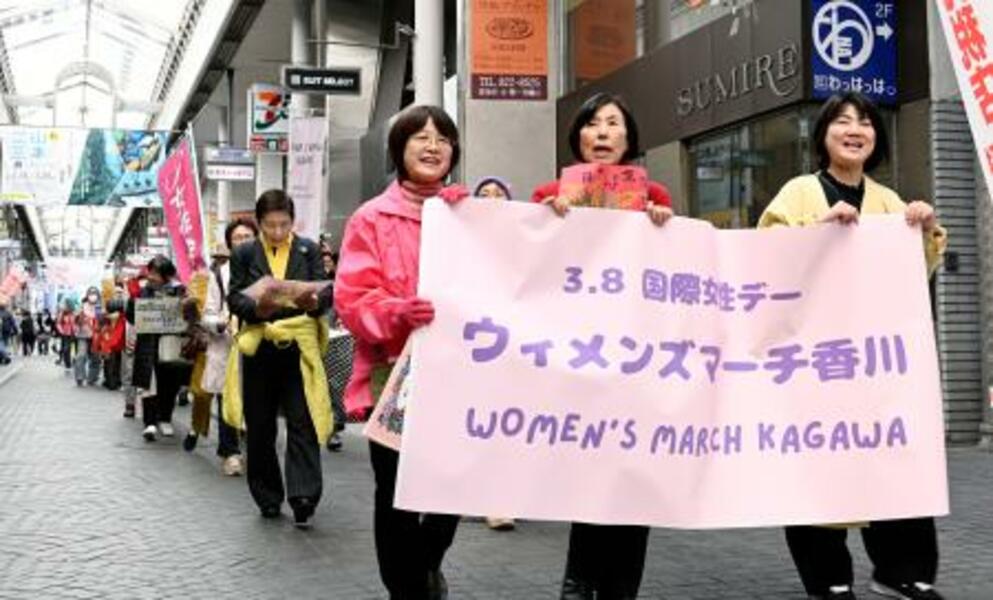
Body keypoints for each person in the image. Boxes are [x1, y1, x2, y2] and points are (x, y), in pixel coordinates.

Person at [758, 92, 946, 600]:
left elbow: (913, 278)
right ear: (823, 136)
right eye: (841, 121)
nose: (854, 129)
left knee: (895, 464)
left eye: (865, 122)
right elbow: (765, 263)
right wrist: (817, 232)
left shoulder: (889, 201)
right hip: (816, 364)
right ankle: (828, 581)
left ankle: (900, 571)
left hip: (877, 368)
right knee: (821, 470)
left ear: (876, 139)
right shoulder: (799, 193)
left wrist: (925, 231)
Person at [532, 92, 674, 600]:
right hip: (580, 360)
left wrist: (665, 227)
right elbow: (527, 266)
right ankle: (579, 576)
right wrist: (545, 223)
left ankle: (621, 587)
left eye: (613, 124)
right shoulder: (551, 193)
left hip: (636, 361)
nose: (602, 133)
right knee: (590, 473)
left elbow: (670, 276)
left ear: (629, 139)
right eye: (593, 124)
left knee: (633, 478)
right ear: (578, 137)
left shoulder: (653, 193)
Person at [336, 104, 470, 600]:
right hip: (393, 371)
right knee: (395, 489)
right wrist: (397, 311)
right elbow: (352, 299)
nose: (432, 146)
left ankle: (424, 565)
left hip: (460, 373)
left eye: (443, 138)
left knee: (454, 481)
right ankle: (408, 589)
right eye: (421, 137)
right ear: (399, 149)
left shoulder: (468, 214)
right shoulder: (370, 218)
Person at [227, 190, 332, 528]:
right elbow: (235, 298)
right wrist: (257, 308)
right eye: (270, 225)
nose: (277, 231)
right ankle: (267, 495)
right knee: (260, 426)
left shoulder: (308, 250)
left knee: (303, 421)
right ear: (259, 223)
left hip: (298, 347)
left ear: (292, 221)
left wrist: (314, 303)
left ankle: (304, 496)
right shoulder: (244, 253)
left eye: (283, 224)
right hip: (260, 347)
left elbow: (326, 293)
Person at [185, 218, 258, 476]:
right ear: (230, 243)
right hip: (227, 346)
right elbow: (208, 313)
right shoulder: (219, 275)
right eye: (237, 238)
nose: (243, 242)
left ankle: (256, 451)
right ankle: (230, 452)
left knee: (256, 400)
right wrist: (220, 324)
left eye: (248, 236)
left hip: (259, 345)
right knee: (227, 397)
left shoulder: (266, 270)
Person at [126, 256, 188, 441]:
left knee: (170, 382)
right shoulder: (143, 292)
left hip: (171, 343)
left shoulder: (179, 291)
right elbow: (132, 318)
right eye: (150, 272)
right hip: (148, 344)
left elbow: (188, 316)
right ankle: (150, 422)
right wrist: (132, 301)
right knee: (149, 384)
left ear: (166, 275)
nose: (151, 277)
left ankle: (165, 419)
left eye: (155, 273)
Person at [319, 236, 347, 453]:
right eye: (322, 260)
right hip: (312, 338)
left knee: (335, 383)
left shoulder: (342, 285)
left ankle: (333, 428)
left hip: (336, 340)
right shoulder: (310, 283)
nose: (326, 264)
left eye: (329, 260)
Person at [74, 288, 101, 386]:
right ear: (87, 295)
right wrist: (79, 316)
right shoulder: (81, 306)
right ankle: (80, 377)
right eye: (91, 294)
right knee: (81, 355)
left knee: (95, 357)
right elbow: (75, 320)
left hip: (96, 336)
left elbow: (103, 321)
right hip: (83, 335)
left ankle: (92, 378)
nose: (93, 296)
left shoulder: (100, 307)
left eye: (94, 294)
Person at [56, 302, 76, 369]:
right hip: (66, 334)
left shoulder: (73, 314)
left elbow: (76, 323)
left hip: (74, 334)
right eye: (67, 306)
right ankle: (67, 363)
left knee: (71, 349)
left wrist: (76, 329)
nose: (68, 308)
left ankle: (70, 362)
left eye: (69, 306)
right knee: (66, 349)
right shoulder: (62, 314)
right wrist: (61, 331)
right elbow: (58, 323)